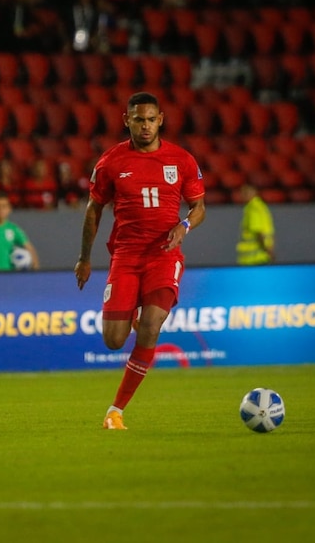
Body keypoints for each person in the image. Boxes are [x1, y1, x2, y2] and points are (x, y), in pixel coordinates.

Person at [74, 91, 206, 430]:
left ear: (160, 119)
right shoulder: (111, 162)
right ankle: (130, 308)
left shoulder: (182, 160)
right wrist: (84, 258)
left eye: (150, 119)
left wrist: (185, 225)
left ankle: (115, 411)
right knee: (113, 339)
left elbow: (199, 206)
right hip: (126, 255)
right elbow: (93, 210)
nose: (145, 126)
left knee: (151, 326)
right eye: (138, 120)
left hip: (164, 254)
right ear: (126, 121)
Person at [236, 183, 275, 265]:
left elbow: (258, 232)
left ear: (254, 192)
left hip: (255, 259)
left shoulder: (253, 208)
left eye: (246, 192)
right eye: (242, 192)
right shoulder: (260, 206)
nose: (243, 195)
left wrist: (268, 251)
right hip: (259, 257)